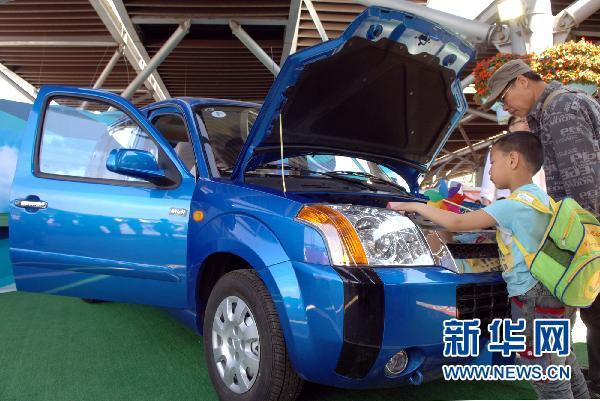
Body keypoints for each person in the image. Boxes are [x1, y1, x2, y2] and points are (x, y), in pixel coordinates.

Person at [390, 132, 589, 399]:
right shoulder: (543, 201)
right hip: (555, 294)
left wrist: (418, 206)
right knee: (563, 360)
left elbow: (458, 223)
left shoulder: (512, 206)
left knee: (542, 370)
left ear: (513, 160)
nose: (490, 170)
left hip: (532, 299)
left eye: (493, 162)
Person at [483, 59, 600, 398]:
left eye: (504, 94)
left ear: (522, 81)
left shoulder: (561, 109)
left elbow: (584, 186)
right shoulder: (558, 106)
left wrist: (580, 251)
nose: (503, 104)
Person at [480, 116, 546, 205]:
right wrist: (486, 200)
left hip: (534, 201)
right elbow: (488, 185)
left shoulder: (536, 150)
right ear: (511, 127)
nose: (527, 123)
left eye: (529, 121)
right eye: (522, 120)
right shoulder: (499, 150)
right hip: (505, 201)